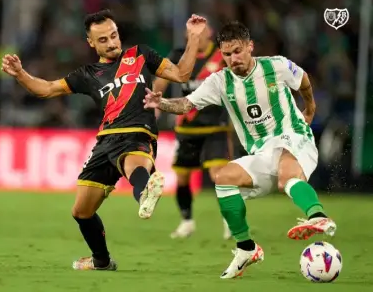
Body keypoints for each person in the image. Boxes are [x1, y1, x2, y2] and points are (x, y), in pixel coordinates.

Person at [1, 9, 207, 271]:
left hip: (137, 131)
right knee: (81, 211)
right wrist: (20, 74)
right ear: (90, 43)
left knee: (133, 163)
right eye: (103, 40)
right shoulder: (87, 74)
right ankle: (101, 260)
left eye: (114, 35)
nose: (111, 43)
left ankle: (145, 188)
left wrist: (193, 37)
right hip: (104, 141)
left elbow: (181, 74)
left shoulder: (141, 54)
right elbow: (48, 89)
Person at [143, 20, 337, 279]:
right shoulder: (220, 81)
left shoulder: (276, 65)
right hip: (261, 152)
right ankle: (246, 248)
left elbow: (303, 80)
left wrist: (310, 108)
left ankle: (318, 215)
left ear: (250, 47)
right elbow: (187, 104)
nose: (233, 59)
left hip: (294, 138)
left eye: (237, 51)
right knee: (223, 179)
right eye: (226, 54)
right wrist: (162, 102)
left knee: (286, 172)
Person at [152, 20, 234, 239]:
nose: (194, 36)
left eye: (198, 31)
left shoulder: (221, 55)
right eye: (189, 33)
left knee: (219, 176)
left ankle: (229, 222)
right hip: (187, 126)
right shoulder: (179, 54)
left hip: (215, 126)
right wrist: (156, 102)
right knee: (182, 179)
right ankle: (187, 221)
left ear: (209, 32)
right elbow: (161, 77)